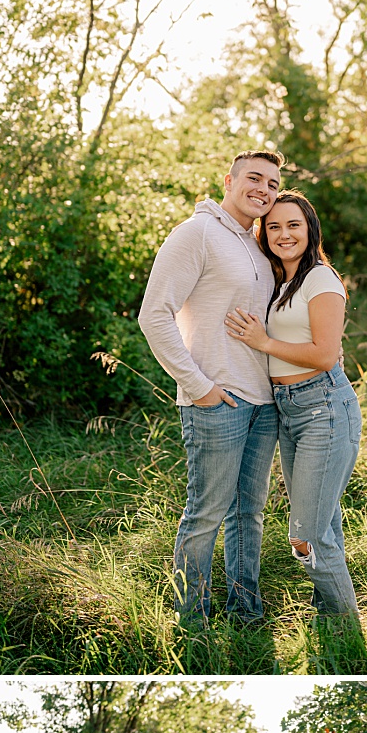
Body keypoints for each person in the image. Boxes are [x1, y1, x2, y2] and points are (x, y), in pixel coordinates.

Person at [139, 152, 282, 626]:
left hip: (264, 403)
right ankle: (192, 619)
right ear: (230, 180)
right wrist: (198, 386)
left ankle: (245, 613)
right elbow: (154, 314)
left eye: (274, 184)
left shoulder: (259, 246)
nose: (263, 189)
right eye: (254, 178)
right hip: (218, 399)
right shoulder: (195, 233)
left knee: (249, 515)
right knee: (206, 515)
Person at [224, 190, 362, 617]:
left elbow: (324, 354)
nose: (284, 234)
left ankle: (347, 630)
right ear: (263, 232)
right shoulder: (281, 281)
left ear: (310, 229)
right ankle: (329, 624)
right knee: (325, 526)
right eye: (274, 226)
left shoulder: (320, 278)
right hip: (288, 410)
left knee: (306, 536)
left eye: (294, 225)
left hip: (323, 407)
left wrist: (264, 341)